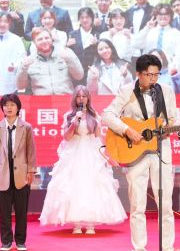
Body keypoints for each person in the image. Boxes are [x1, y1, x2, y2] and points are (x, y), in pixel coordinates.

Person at [102, 54, 180, 251]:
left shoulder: (166, 91)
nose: (153, 79)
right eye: (148, 75)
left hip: (161, 150)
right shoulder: (126, 91)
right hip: (135, 151)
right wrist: (127, 130)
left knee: (166, 204)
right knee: (137, 205)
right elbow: (107, 114)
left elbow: (173, 119)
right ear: (138, 74)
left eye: (156, 75)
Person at [40, 86, 126, 234]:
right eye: (78, 96)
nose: (81, 99)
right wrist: (74, 122)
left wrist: (107, 157)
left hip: (91, 152)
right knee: (74, 185)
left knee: (91, 184)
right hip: (74, 152)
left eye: (84, 96)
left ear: (88, 98)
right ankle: (77, 224)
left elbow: (99, 138)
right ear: (75, 98)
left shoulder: (94, 116)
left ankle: (91, 223)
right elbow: (67, 137)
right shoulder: (69, 116)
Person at [0, 93, 37, 251]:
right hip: (3, 173)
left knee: (21, 211)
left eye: (12, 105)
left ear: (18, 108)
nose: (9, 108)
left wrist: (31, 170)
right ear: (2, 108)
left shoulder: (26, 127)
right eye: (6, 105)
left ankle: (21, 241)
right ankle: (6, 241)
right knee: (4, 211)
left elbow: (31, 151)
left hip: (22, 174)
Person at [18, 27, 84, 96]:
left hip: (65, 99)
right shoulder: (29, 60)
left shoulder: (66, 52)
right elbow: (20, 86)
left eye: (47, 38)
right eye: (40, 39)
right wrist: (24, 67)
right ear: (34, 42)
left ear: (52, 39)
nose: (44, 41)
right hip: (42, 100)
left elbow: (79, 76)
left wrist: (69, 59)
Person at [132, 3, 180, 73]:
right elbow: (135, 44)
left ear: (170, 16)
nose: (163, 16)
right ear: (155, 16)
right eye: (160, 14)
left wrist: (172, 70)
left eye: (166, 14)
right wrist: (147, 28)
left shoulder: (176, 33)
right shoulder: (148, 31)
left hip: (168, 71)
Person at [67, 7, 99, 80]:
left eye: (87, 17)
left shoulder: (97, 34)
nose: (85, 20)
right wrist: (67, 45)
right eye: (82, 17)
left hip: (92, 72)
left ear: (92, 18)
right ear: (79, 19)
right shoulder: (72, 34)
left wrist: (97, 44)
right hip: (76, 72)